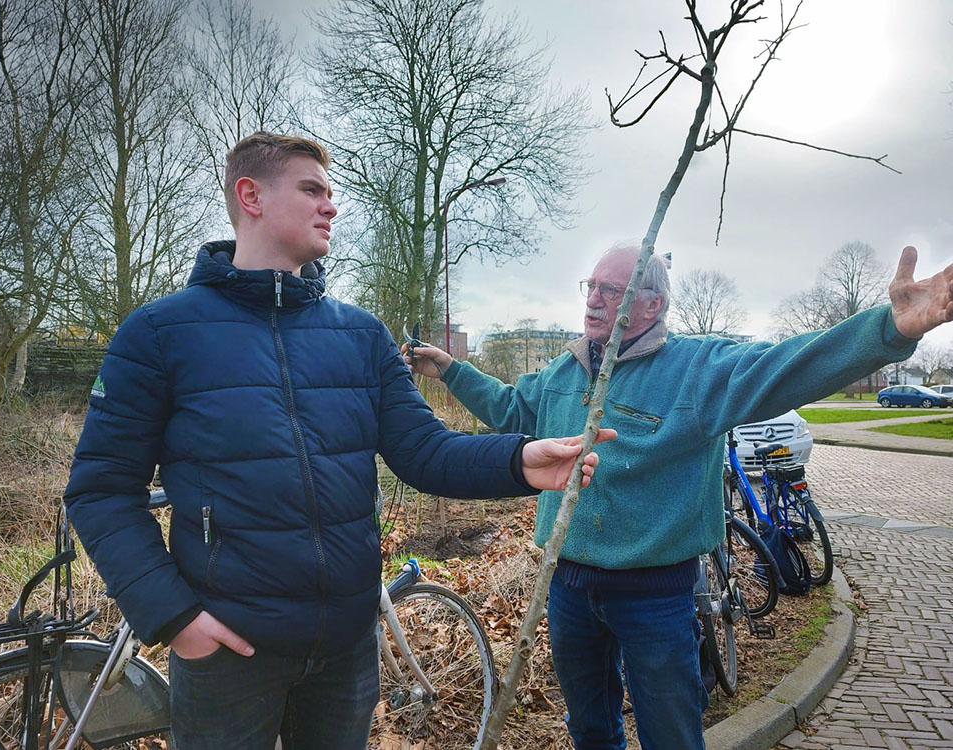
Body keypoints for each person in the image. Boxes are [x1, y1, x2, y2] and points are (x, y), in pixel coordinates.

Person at [63, 132, 615, 750]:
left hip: (347, 652)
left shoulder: (360, 335)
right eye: (311, 190)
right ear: (251, 196)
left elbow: (424, 451)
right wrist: (176, 619)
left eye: (331, 193)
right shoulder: (159, 333)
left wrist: (519, 460)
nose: (331, 206)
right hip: (228, 653)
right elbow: (102, 490)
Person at [404, 243, 953, 750]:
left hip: (655, 595)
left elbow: (788, 366)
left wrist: (889, 329)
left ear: (652, 304)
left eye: (610, 291)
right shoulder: (565, 370)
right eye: (589, 287)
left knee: (671, 733)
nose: (593, 301)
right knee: (589, 726)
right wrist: (450, 369)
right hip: (567, 583)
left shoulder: (697, 369)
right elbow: (509, 409)